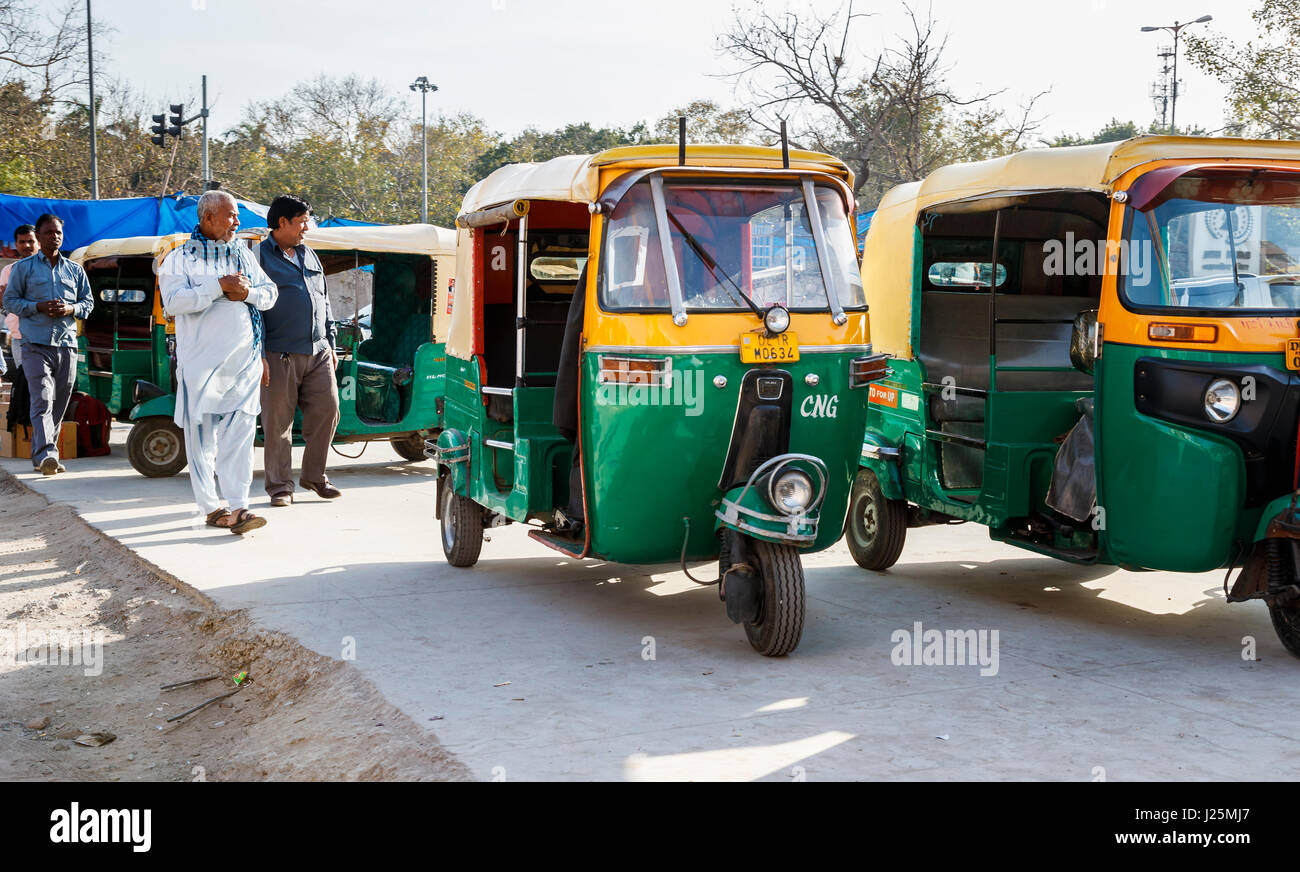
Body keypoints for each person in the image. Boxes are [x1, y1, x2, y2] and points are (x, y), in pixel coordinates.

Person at [158, 190, 277, 534]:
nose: (237, 222)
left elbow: (270, 294)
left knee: (240, 436)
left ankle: (240, 507)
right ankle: (211, 506)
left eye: (237, 215)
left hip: (243, 363)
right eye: (230, 215)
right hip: (201, 368)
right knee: (202, 441)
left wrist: (247, 293)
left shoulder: (243, 255)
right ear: (207, 218)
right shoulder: (179, 259)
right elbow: (174, 303)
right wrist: (217, 287)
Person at [255, 195, 341, 506]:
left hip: (317, 351)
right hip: (279, 353)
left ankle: (314, 477)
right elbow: (253, 311)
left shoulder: (310, 255)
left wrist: (329, 342)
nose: (307, 226)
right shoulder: (259, 257)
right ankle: (280, 488)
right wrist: (260, 353)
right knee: (279, 423)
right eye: (301, 220)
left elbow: (324, 300)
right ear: (282, 223)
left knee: (329, 410)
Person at [2, 215, 92, 474]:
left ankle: (42, 452)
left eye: (58, 232)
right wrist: (37, 307)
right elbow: (10, 302)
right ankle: (47, 455)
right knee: (42, 399)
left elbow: (88, 303)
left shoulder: (74, 270)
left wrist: (70, 308)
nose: (55, 237)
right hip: (34, 344)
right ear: (39, 238)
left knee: (60, 401)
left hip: (66, 344)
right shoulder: (23, 269)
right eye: (49, 233)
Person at [1, 224, 38, 373]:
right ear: (16, 244)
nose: (27, 245)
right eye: (22, 242)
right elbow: (3, 302)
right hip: (20, 337)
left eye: (31, 241)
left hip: (47, 338)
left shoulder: (52, 269)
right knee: (26, 383)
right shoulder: (8, 270)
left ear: (39, 242)